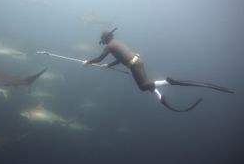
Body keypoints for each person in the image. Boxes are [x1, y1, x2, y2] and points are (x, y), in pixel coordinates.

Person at [83, 28, 234, 112]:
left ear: (105, 40)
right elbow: (120, 58)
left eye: (103, 41)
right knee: (148, 85)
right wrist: (108, 66)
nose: (104, 43)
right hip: (137, 61)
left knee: (143, 87)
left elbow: (100, 58)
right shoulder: (117, 42)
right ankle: (160, 96)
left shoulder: (109, 46)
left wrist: (88, 62)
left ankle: (168, 82)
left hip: (134, 64)